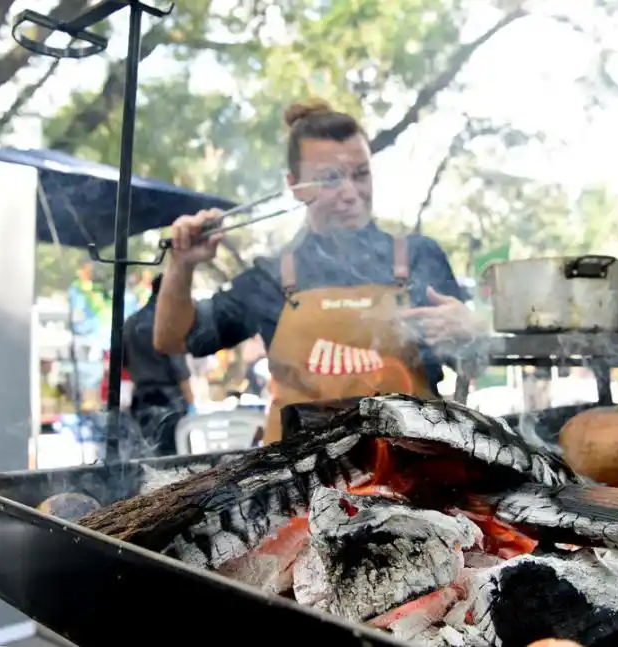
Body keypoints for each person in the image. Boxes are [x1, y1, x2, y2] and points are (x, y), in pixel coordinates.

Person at [154, 99, 487, 444]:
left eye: (361, 174)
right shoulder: (270, 277)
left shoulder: (419, 257)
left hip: (405, 472)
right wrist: (181, 264)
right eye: (330, 179)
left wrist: (472, 332)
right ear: (295, 185)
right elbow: (171, 339)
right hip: (299, 481)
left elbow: (471, 363)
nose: (350, 193)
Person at [125, 274, 195, 456]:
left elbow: (122, 362)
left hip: (140, 399)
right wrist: (191, 403)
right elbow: (179, 369)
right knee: (171, 462)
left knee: (144, 458)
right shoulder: (167, 323)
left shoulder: (131, 322)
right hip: (168, 401)